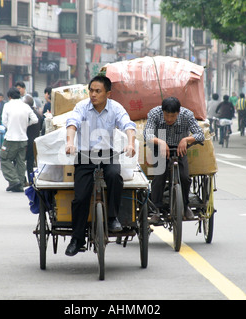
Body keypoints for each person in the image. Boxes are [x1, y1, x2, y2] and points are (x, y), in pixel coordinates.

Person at [64, 75, 136, 256]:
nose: (93, 94)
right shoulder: (82, 107)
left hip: (108, 154)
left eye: (98, 91)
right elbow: (72, 124)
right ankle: (77, 238)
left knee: (114, 176)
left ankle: (112, 218)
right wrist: (70, 142)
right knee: (80, 198)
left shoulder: (115, 108)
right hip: (85, 156)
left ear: (108, 94)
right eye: (91, 90)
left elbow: (128, 125)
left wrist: (131, 143)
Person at [143, 96, 204, 222]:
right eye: (167, 115)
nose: (169, 119)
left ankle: (185, 205)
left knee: (185, 178)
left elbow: (200, 134)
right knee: (159, 177)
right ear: (162, 111)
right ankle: (156, 209)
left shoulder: (187, 115)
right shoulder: (155, 113)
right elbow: (147, 134)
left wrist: (186, 140)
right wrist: (160, 141)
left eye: (173, 116)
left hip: (179, 149)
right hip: (159, 148)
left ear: (179, 112)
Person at [0, 87, 39, 192]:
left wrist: (10, 126)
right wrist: (26, 125)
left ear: (9, 97)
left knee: (4, 159)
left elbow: (4, 122)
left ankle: (14, 180)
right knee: (20, 161)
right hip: (23, 139)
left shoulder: (7, 105)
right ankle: (20, 184)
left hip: (10, 139)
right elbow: (35, 119)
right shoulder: (26, 106)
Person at [23, 94, 42, 184]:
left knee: (21, 161)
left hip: (26, 141)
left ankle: (23, 180)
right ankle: (31, 180)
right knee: (31, 162)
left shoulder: (26, 114)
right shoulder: (38, 114)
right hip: (35, 141)